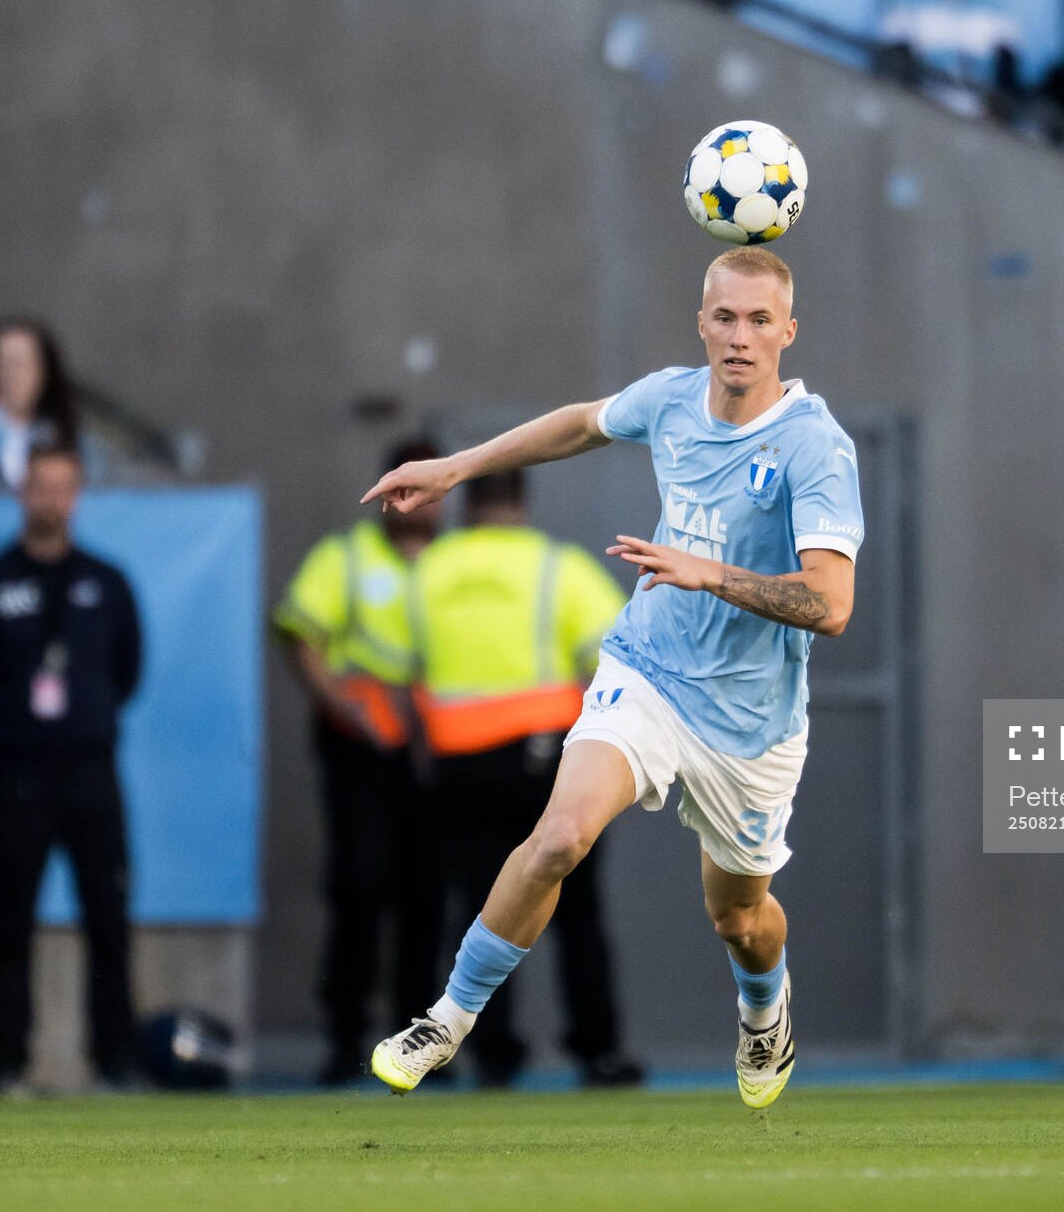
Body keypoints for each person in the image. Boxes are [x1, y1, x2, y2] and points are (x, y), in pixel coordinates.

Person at [363, 245, 861, 1109]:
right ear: (701, 322)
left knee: (739, 918)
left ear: (788, 330)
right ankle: (447, 1018)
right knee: (558, 838)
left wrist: (709, 572)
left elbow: (831, 603)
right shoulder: (670, 399)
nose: (739, 338)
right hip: (649, 673)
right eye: (724, 318)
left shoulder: (815, 446)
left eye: (757, 321)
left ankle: (764, 1006)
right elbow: (580, 424)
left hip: (751, 721)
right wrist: (454, 469)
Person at [409, 468, 643, 1088]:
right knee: (577, 911)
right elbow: (619, 653)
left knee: (478, 909)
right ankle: (597, 1050)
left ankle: (487, 1053)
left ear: (469, 506)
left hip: (456, 763)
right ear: (519, 503)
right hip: (548, 761)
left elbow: (388, 661)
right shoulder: (556, 567)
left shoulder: (428, 571)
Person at [0, 446, 143, 1092]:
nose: (51, 500)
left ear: (77, 495)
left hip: (91, 771)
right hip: (18, 774)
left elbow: (126, 670)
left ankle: (113, 1059)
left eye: (63, 487)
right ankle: (7, 1061)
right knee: (12, 919)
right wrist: (8, 732)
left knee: (108, 919)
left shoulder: (106, 583)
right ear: (20, 493)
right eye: (40, 487)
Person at [273, 436, 442, 1086]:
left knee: (428, 899)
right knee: (358, 888)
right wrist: (341, 705)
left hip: (441, 749)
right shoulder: (345, 557)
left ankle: (421, 1041)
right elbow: (298, 631)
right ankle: (345, 1039)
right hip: (362, 751)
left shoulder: (458, 563)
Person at [878, 0, 1023, 120]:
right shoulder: (904, 5)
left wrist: (994, 115)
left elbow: (1006, 80)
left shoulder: (998, 11)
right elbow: (895, 69)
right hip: (921, 117)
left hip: (981, 123)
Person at [0, 318, 90, 490]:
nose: (10, 373)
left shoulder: (68, 433)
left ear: (44, 372)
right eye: (0, 362)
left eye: (20, 363)